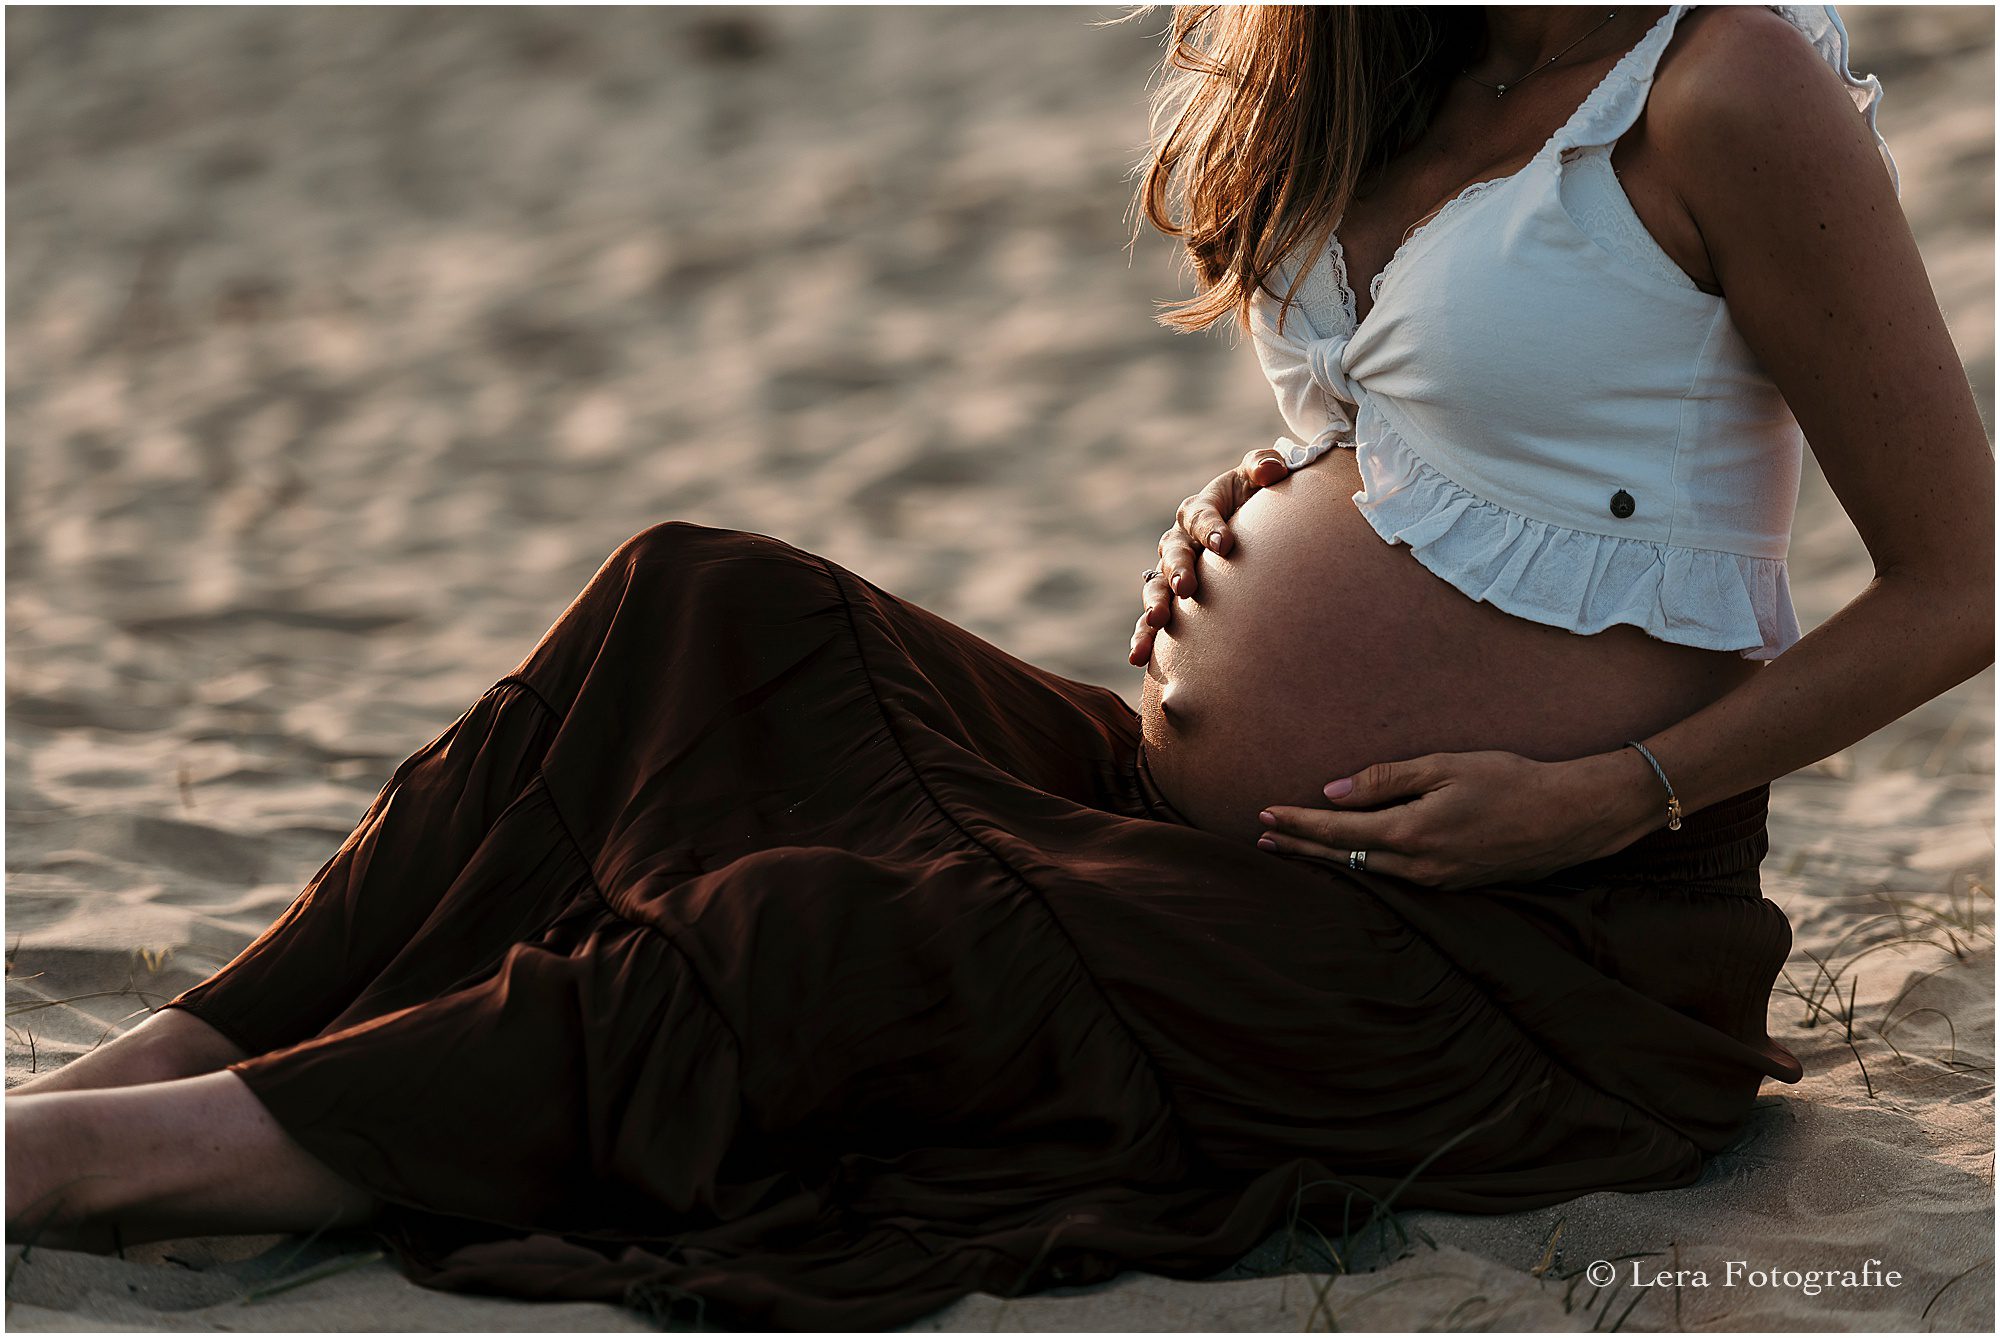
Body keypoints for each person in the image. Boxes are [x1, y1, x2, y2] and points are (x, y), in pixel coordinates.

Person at [6, 4, 1990, 1330]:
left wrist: (1602, 797)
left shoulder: (1729, 83)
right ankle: (188, 1051)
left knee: (827, 932)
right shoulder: (1396, 46)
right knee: (705, 604)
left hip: (1520, 947)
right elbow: (1490, 426)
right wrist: (1295, 499)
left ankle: (141, 1165)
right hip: (1227, 850)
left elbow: (1954, 584)